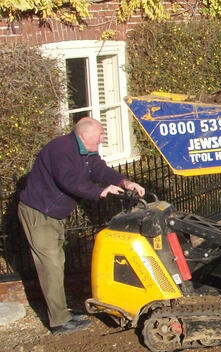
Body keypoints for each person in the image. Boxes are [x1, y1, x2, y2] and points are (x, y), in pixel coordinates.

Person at [18, 117, 145, 334]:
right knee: (52, 264)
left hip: (55, 215)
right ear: (84, 136)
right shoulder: (60, 149)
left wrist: (124, 182)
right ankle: (59, 322)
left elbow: (100, 170)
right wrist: (98, 191)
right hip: (39, 213)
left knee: (58, 261)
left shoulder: (86, 153)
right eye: (100, 135)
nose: (102, 139)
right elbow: (68, 180)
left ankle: (62, 311)